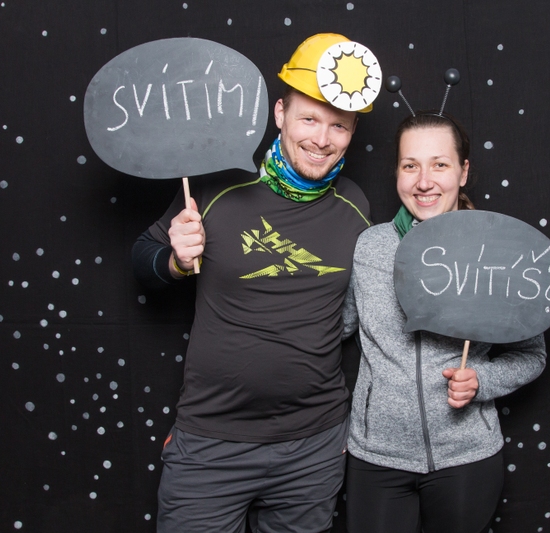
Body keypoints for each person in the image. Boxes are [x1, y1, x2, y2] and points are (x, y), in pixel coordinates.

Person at [132, 33, 373, 533]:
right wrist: (174, 261)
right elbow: (142, 260)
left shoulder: (357, 206)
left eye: (339, 126)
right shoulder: (217, 187)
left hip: (314, 447)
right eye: (309, 119)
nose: (322, 139)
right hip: (211, 446)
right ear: (280, 113)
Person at [342, 112, 548, 533]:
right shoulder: (369, 247)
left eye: (439, 164)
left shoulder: (497, 253)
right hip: (377, 456)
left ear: (463, 171)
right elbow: (333, 327)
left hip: (466, 458)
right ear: (397, 172)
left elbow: (532, 355)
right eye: (410, 165)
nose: (424, 181)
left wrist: (482, 381)